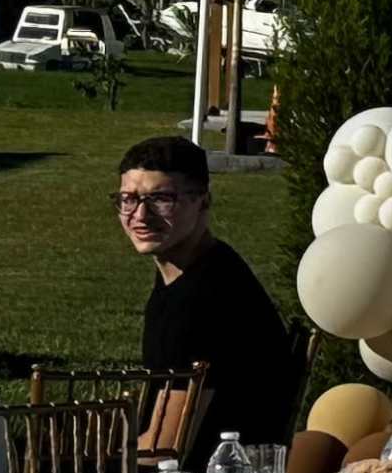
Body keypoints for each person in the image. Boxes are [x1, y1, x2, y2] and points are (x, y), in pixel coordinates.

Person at [117, 136, 298, 444]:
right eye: (128, 199)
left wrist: (92, 459)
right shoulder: (197, 268)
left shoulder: (204, 298)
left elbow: (166, 447)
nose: (141, 216)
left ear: (203, 201)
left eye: (161, 199)